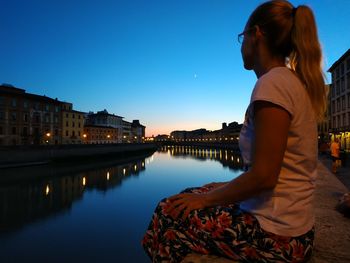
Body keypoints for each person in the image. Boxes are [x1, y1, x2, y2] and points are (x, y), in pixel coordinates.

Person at [142, 0, 328, 262]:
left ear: (257, 34)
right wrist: (222, 188)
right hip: (292, 226)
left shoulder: (272, 84)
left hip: (277, 235)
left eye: (241, 37)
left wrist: (207, 201)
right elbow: (278, 170)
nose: (241, 45)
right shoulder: (289, 81)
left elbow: (264, 177)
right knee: (191, 193)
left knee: (167, 212)